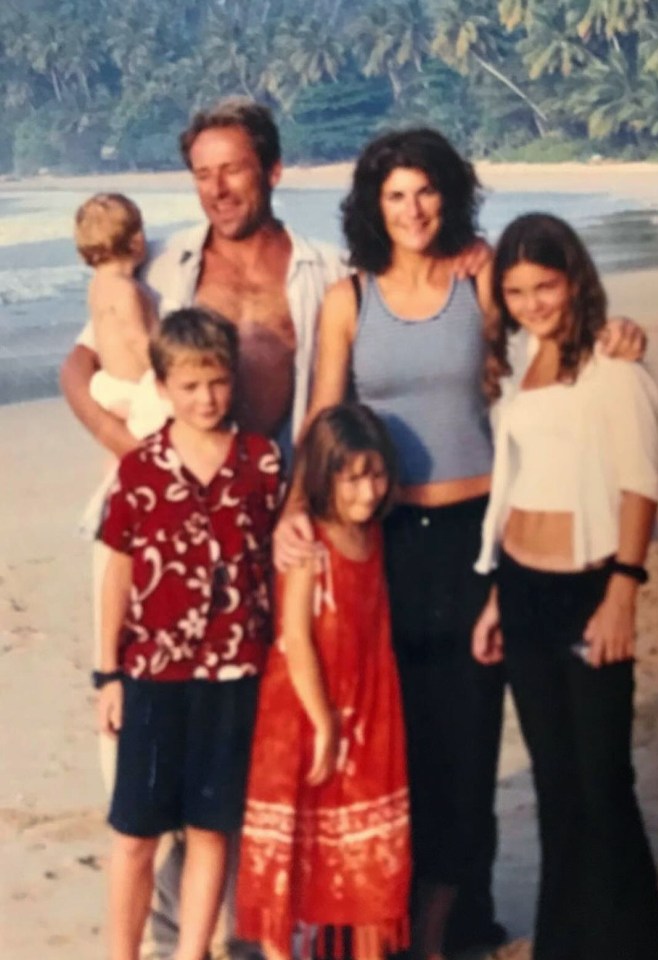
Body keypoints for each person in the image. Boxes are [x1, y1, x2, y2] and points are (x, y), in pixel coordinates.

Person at [276, 128, 647, 960]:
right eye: (396, 195)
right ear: (374, 205)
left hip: (480, 539)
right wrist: (293, 511)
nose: (414, 209)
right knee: (391, 738)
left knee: (471, 741)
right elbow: (322, 420)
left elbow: (553, 337)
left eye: (428, 191)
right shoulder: (349, 298)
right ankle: (390, 920)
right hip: (384, 541)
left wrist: (621, 334)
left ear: (450, 195)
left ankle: (454, 923)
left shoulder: (479, 281)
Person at [60, 98, 349, 960]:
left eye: (233, 168)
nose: (218, 188)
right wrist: (129, 449)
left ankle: (229, 938)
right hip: (156, 537)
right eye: (202, 173)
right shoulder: (167, 271)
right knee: (139, 779)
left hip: (271, 517)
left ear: (272, 169)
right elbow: (80, 364)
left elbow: (349, 388)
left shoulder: (324, 270)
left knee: (250, 750)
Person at [473, 213, 658, 960]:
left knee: (603, 781)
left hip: (591, 589)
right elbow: (516, 482)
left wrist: (624, 589)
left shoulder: (614, 366)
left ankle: (631, 945)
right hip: (522, 589)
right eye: (516, 290)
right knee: (555, 784)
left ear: (573, 279)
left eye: (544, 286)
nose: (531, 303)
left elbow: (640, 483)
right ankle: (565, 944)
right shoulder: (520, 358)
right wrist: (494, 591)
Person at [95, 306, 281, 960]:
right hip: (152, 674)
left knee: (210, 830)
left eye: (218, 382)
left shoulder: (262, 464)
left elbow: (281, 559)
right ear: (163, 386)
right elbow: (116, 572)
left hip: (235, 676)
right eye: (190, 385)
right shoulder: (141, 469)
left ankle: (191, 952)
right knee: (136, 834)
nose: (206, 398)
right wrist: (107, 672)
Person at [236, 404, 410, 960]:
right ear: (322, 476)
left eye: (376, 473)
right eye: (352, 477)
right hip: (305, 713)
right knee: (293, 849)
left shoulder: (374, 535)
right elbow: (296, 641)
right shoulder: (308, 542)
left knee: (365, 848)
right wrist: (324, 721)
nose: (367, 491)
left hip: (370, 706)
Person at [74, 193, 168, 440]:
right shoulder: (126, 289)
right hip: (133, 388)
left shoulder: (97, 284)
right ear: (136, 241)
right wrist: (167, 375)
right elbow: (138, 339)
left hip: (108, 382)